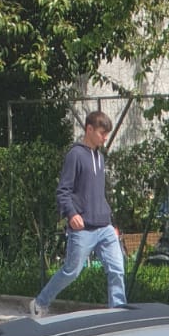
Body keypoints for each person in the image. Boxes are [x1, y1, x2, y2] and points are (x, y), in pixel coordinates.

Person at [30, 110, 125, 317]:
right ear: (89, 129)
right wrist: (72, 214)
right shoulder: (75, 155)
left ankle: (118, 311)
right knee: (71, 271)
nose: (105, 138)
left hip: (104, 226)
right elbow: (63, 190)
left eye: (106, 134)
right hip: (83, 228)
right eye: (102, 133)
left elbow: (98, 193)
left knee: (117, 268)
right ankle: (40, 303)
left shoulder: (100, 157)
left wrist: (111, 221)